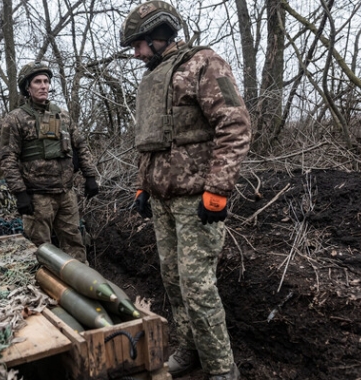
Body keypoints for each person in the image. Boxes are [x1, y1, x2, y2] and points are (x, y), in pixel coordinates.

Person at [120, 2, 251, 379]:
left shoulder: (204, 64)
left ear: (158, 35)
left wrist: (219, 189)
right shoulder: (152, 79)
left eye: (139, 44)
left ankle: (222, 368)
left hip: (197, 200)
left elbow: (235, 126)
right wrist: (142, 186)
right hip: (161, 199)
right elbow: (151, 141)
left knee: (197, 286)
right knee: (173, 282)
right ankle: (190, 349)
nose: (136, 53)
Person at [0, 61, 99, 263]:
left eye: (46, 81)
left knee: (75, 244)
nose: (44, 86)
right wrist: (20, 193)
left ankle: (81, 286)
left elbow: (81, 145)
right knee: (40, 249)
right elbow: (7, 158)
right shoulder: (16, 119)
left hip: (66, 193)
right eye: (38, 82)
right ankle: (43, 292)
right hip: (37, 196)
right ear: (27, 87)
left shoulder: (62, 115)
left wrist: (90, 176)